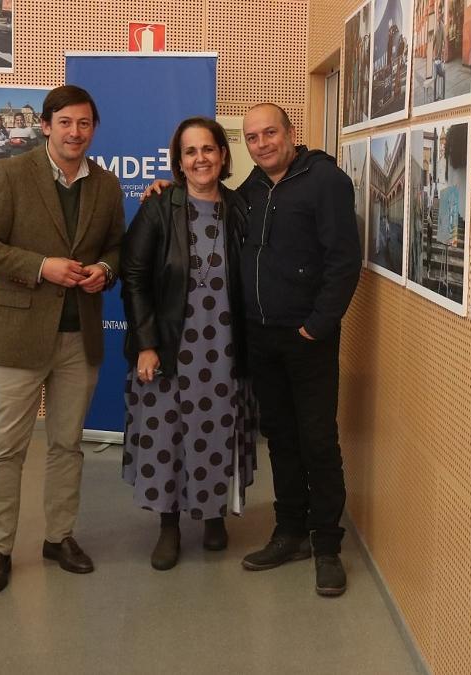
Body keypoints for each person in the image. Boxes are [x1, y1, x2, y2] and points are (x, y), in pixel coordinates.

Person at [143, 103, 361, 595]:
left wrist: (317, 326)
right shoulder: (250, 193)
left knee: (319, 443)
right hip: (259, 339)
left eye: (270, 133)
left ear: (290, 133)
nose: (262, 143)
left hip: (308, 339)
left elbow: (345, 261)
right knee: (281, 439)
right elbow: (200, 201)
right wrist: (165, 190)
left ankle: (326, 544)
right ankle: (288, 532)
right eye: (253, 137)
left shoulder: (325, 181)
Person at [0, 85, 124, 595]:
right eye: (66, 122)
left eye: (85, 123)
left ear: (94, 129)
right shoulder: (8, 173)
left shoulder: (107, 185)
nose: (76, 132)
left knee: (67, 445)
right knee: (6, 448)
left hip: (80, 337)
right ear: (46, 126)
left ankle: (59, 537)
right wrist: (40, 266)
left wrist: (103, 270)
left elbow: (117, 247)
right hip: (18, 336)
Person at [120, 117, 258, 570]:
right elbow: (135, 276)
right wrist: (145, 343)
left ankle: (215, 514)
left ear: (222, 154)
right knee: (169, 435)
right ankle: (169, 525)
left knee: (218, 430)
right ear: (178, 162)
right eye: (190, 151)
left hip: (224, 348)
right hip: (170, 346)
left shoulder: (240, 207)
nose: (201, 159)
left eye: (208, 149)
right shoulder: (160, 207)